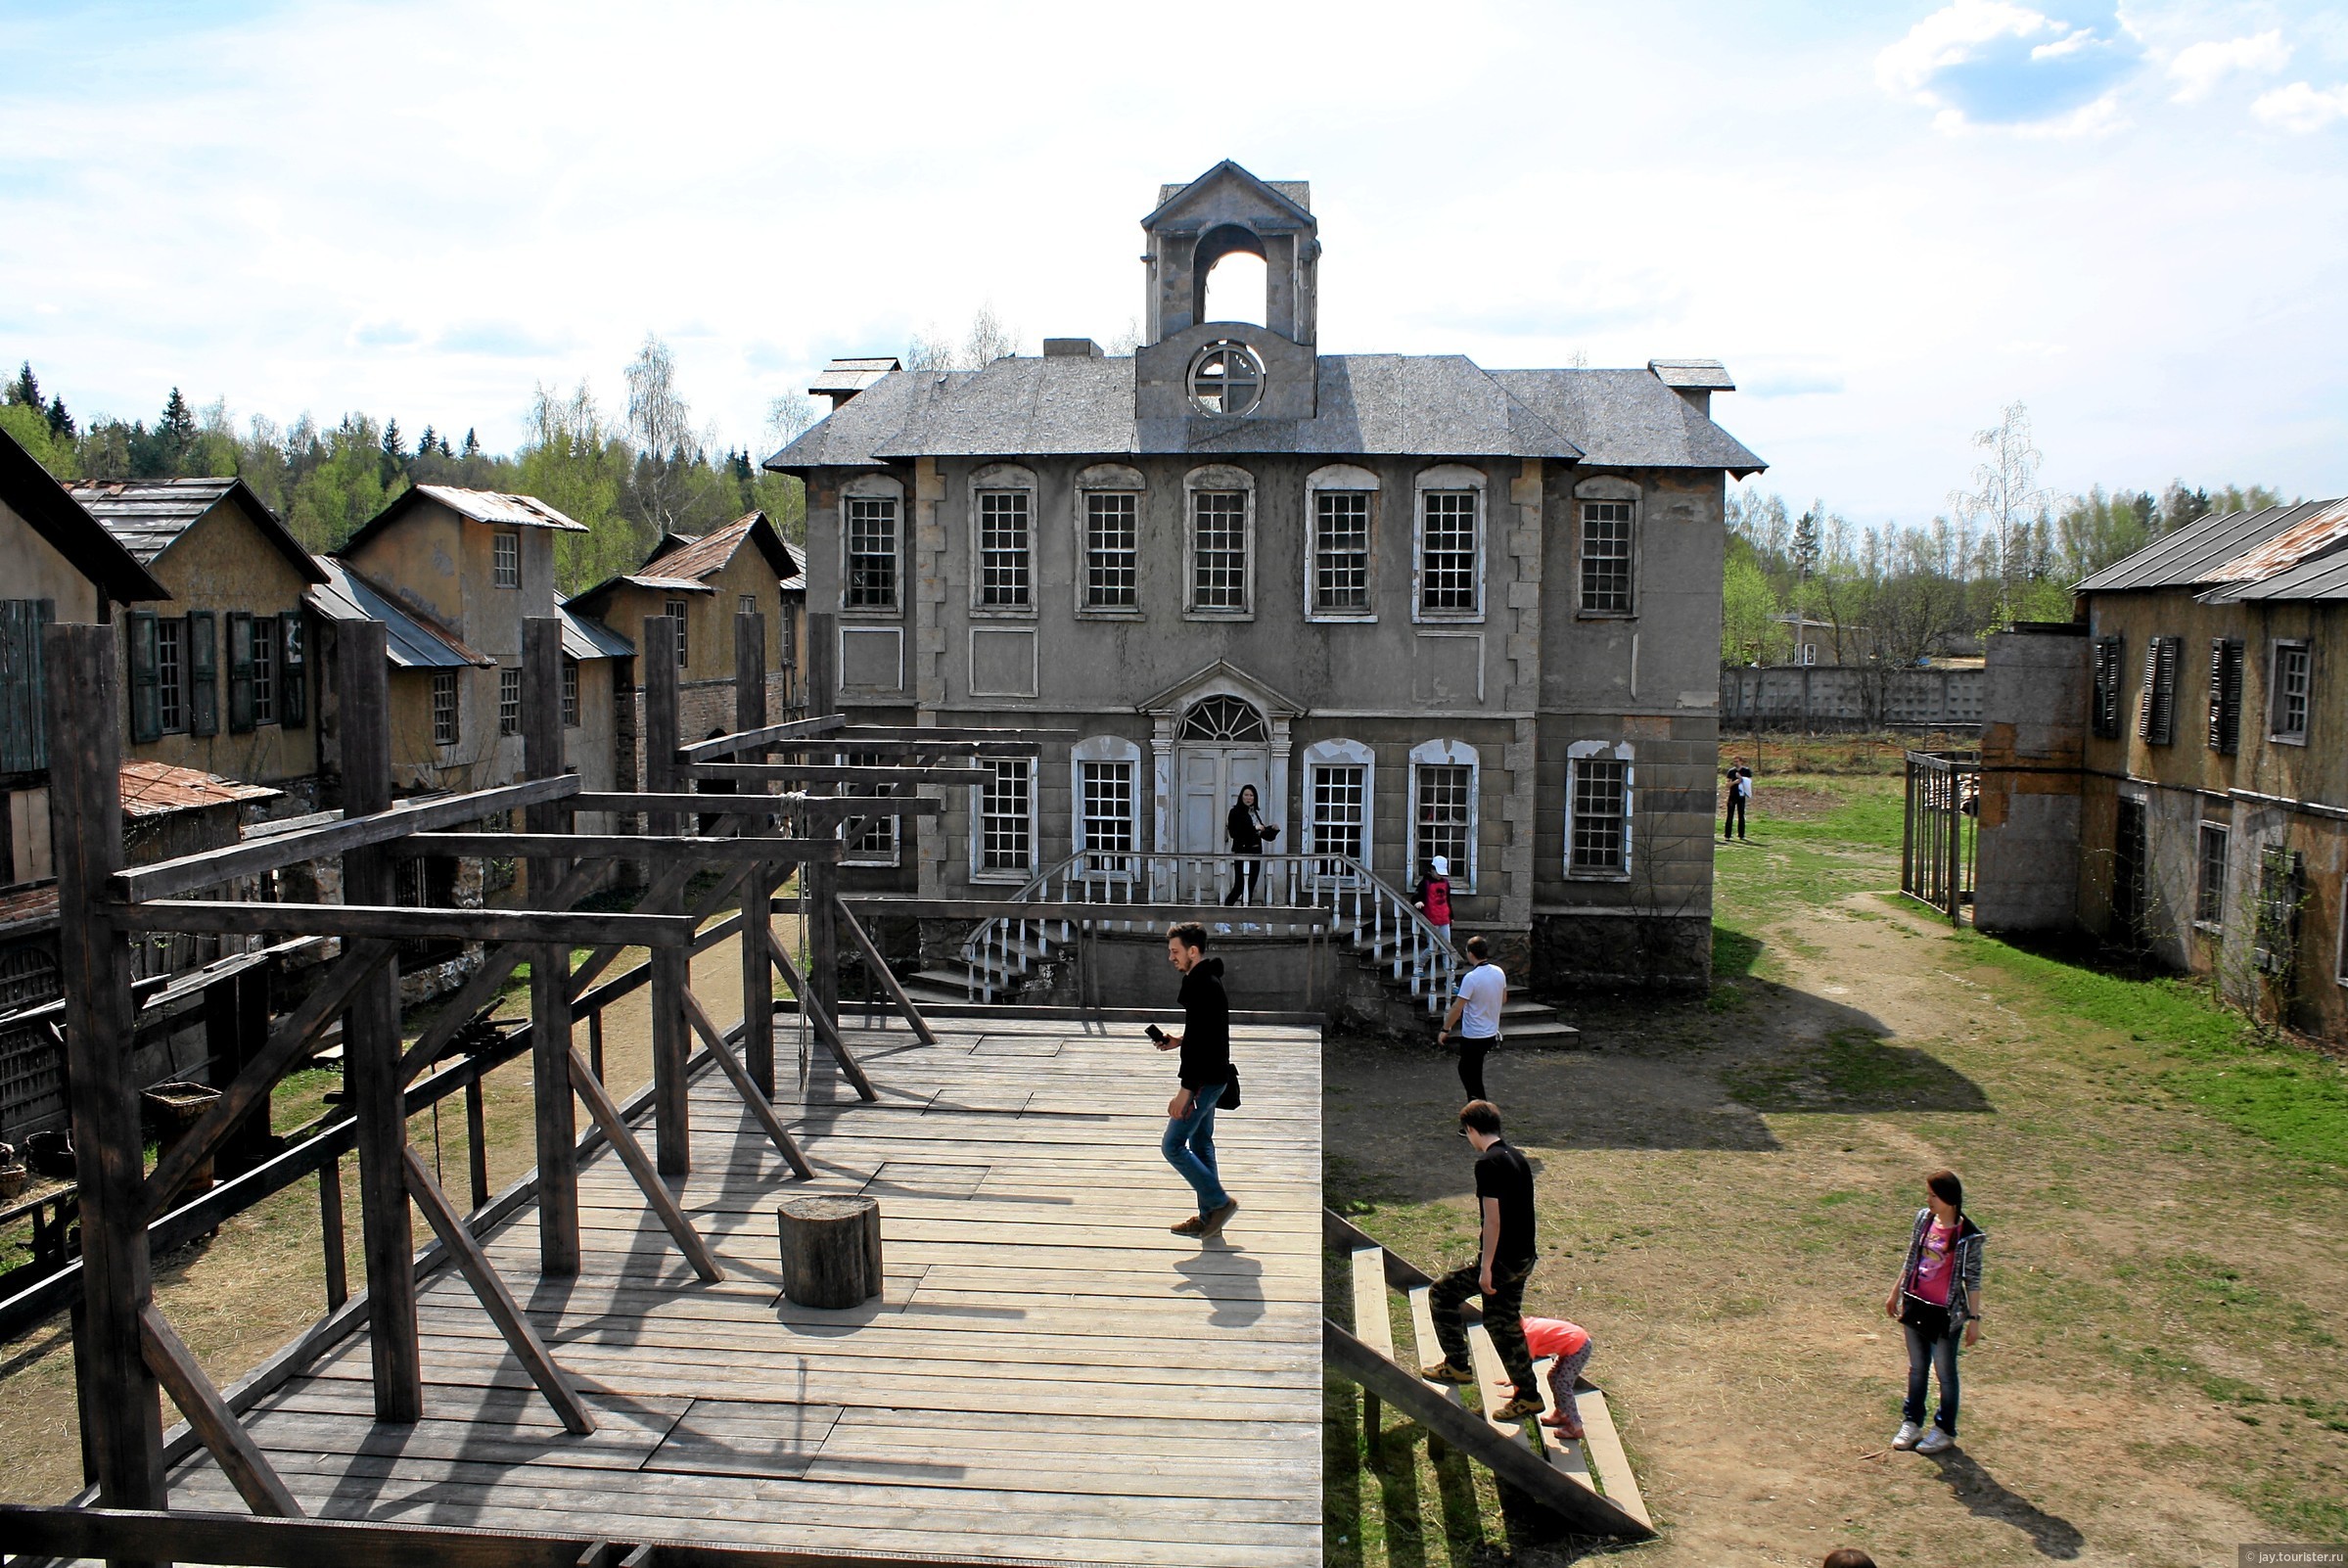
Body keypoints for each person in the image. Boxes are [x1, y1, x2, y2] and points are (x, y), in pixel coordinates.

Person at [1420, 1100, 1542, 1421]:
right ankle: (1528, 1395)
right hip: (1523, 1257)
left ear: (1471, 1129)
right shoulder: (1516, 1157)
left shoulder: (1487, 1164)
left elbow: (1493, 1221)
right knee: (1501, 1324)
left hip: (1502, 1261)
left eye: (1466, 1133)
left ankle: (1457, 1365)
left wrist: (1486, 1267)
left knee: (1442, 1294)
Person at [1884, 1168, 1985, 1455]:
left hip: (1944, 1314)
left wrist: (1974, 1320)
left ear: (1950, 1199)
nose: (1928, 1200)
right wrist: (1896, 1291)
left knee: (1945, 1373)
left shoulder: (1968, 1237)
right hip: (1916, 1304)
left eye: (1933, 1195)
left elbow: (1973, 1280)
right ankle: (1912, 1422)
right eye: (1928, 1194)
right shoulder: (1924, 1220)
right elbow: (1912, 1257)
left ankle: (1944, 1430)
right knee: (1917, 1369)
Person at [1154, 922, 1238, 1237]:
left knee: (1173, 1145)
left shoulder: (1204, 986)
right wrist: (1179, 1040)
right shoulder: (1205, 980)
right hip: (1214, 1077)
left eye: (1175, 952)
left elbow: (1203, 1046)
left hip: (1203, 1081)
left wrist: (1185, 1091)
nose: (1171, 958)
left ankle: (1218, 1202)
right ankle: (1208, 1219)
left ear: (1193, 951)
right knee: (1201, 1144)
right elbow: (1204, 1034)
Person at [1437, 936, 1505, 1101]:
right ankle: (1477, 1108)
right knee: (1473, 1071)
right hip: (1490, 1032)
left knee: (1468, 1073)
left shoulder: (1471, 978)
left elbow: (1457, 1007)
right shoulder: (1499, 972)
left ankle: (1479, 1110)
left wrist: (1445, 1029)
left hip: (1474, 1035)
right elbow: (1503, 998)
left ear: (1470, 954)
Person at [1521, 1314, 1593, 1437]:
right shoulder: (1527, 1325)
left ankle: (1576, 1426)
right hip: (1572, 1344)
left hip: (1579, 1346)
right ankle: (1561, 1413)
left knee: (1563, 1385)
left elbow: (1525, 1365)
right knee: (1553, 1376)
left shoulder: (1528, 1335)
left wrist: (1516, 1386)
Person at [1222, 784, 1278, 906]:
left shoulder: (1253, 813)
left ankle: (1245, 918)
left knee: (1251, 885)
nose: (1249, 798)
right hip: (1242, 852)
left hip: (1256, 852)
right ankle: (1223, 917)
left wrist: (1273, 830)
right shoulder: (1235, 812)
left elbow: (1262, 834)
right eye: (1246, 795)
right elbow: (1235, 833)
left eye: (1251, 795)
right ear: (1241, 797)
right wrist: (1254, 828)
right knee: (1240, 885)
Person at [1413, 856, 1454, 948]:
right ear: (1432, 869)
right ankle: (1421, 963)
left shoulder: (1446, 883)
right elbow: (1416, 896)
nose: (1440, 875)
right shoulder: (1425, 883)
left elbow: (1448, 900)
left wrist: (1451, 916)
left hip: (1444, 918)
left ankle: (1446, 963)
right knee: (1432, 947)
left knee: (1447, 947)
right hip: (1431, 920)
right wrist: (1417, 902)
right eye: (1438, 872)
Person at [1723, 760, 1751, 842]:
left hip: (1741, 796)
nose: (1735, 763)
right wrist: (1735, 782)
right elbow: (1727, 785)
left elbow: (1748, 783)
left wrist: (1741, 779)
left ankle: (1741, 834)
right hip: (1732, 796)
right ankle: (1727, 835)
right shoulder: (1731, 771)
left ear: (1741, 762)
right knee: (1730, 815)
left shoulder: (1746, 771)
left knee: (1741, 815)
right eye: (1734, 761)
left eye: (1737, 761)